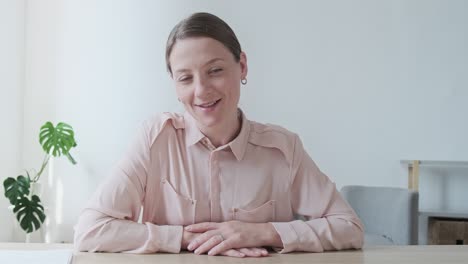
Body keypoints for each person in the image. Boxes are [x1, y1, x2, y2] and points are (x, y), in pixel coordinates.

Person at [74, 12, 364, 258]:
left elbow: (348, 226)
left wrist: (261, 232)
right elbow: (90, 230)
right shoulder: (155, 139)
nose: (201, 91)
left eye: (214, 71)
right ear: (175, 85)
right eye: (185, 78)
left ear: (242, 67)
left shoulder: (283, 148)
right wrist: (186, 238)